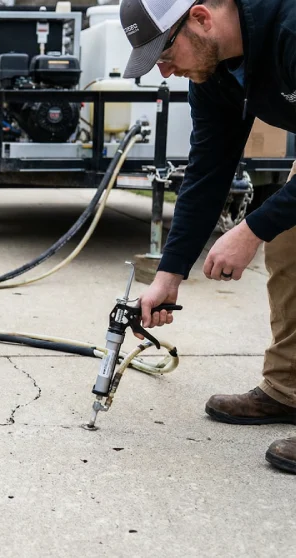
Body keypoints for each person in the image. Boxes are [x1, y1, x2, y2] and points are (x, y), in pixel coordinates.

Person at [119, 0, 296, 473]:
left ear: (200, 18)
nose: (164, 69)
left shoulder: (290, 28)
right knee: (290, 242)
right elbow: (206, 172)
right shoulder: (213, 72)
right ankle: (287, 390)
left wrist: (251, 228)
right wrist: (169, 274)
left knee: (271, 226)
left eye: (165, 52)